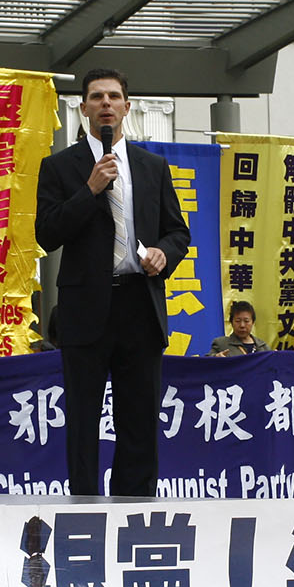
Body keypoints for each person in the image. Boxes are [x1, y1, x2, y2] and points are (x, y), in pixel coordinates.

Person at [35, 67, 190, 497]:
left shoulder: (152, 166)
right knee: (83, 419)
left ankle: (134, 510)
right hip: (85, 308)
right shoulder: (59, 166)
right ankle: (85, 508)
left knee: (139, 420)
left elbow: (177, 231)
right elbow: (46, 234)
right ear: (83, 108)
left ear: (127, 106)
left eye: (114, 96)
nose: (106, 103)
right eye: (96, 97)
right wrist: (89, 189)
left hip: (140, 304)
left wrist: (163, 253)